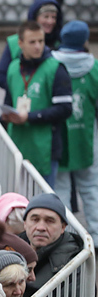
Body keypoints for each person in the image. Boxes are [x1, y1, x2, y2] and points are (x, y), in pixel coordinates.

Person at [2, 20, 73, 188]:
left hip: (45, 149)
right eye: (32, 42)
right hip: (17, 145)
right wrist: (6, 116)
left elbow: (65, 109)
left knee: (43, 197)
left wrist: (30, 117)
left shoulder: (56, 68)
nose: (38, 46)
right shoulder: (13, 67)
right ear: (20, 44)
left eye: (41, 41)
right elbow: (9, 101)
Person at [52, 20, 98, 242]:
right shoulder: (94, 68)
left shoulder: (52, 65)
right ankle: (96, 235)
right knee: (90, 188)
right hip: (86, 138)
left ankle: (67, 238)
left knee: (60, 188)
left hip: (57, 137)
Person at [21, 193, 82, 295]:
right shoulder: (10, 248)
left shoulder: (75, 262)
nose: (41, 227)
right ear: (25, 224)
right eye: (35, 220)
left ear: (63, 227)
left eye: (49, 221)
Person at [0, 0, 62, 91]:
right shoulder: (14, 42)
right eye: (46, 17)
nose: (50, 21)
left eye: (54, 17)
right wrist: (23, 89)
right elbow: (1, 75)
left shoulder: (60, 42)